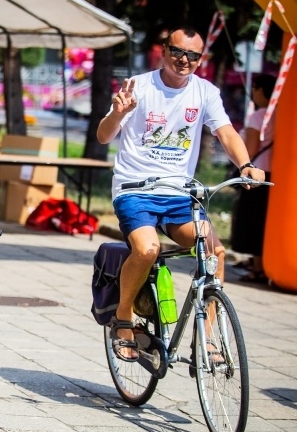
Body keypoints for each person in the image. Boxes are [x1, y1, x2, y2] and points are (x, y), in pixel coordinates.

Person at [96, 25, 265, 362]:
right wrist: (118, 113)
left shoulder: (205, 92)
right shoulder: (138, 87)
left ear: (201, 60)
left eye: (193, 55)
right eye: (177, 51)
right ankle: (124, 318)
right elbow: (103, 136)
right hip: (135, 190)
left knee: (214, 252)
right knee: (147, 249)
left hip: (178, 194)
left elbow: (226, 132)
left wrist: (246, 164)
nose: (184, 60)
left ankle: (207, 338)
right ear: (164, 50)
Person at [230, 73, 277, 283]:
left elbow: (249, 150)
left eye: (256, 88)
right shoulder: (280, 114)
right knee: (266, 221)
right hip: (275, 175)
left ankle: (257, 266)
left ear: (262, 91)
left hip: (256, 174)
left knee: (252, 221)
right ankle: (265, 264)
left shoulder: (259, 116)